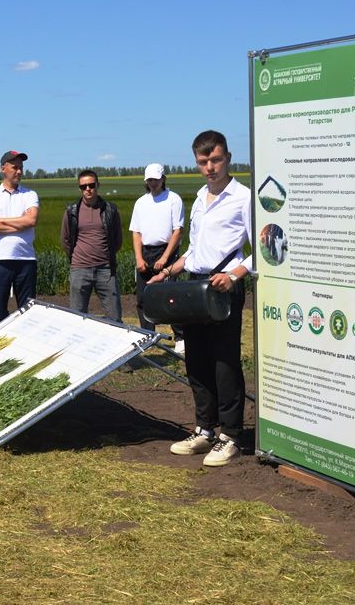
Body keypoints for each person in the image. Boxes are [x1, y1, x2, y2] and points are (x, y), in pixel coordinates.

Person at [147, 130, 251, 467]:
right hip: (195, 286)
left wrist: (235, 275)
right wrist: (168, 271)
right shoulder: (199, 199)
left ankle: (231, 435)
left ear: (228, 158)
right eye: (203, 162)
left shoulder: (244, 198)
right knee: (197, 362)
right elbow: (193, 252)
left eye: (216, 160)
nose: (210, 167)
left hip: (224, 288)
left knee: (224, 363)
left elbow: (264, 248)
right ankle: (205, 429)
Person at [130, 163, 185, 351]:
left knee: (170, 296)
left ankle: (180, 336)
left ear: (163, 179)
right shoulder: (141, 202)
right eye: (149, 180)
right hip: (146, 251)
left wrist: (165, 257)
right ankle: (148, 335)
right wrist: (139, 258)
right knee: (143, 297)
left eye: (156, 179)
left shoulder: (173, 199)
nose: (153, 183)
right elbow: (136, 232)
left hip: (167, 250)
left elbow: (178, 231)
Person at [0, 150, 39, 326]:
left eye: (21, 167)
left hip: (26, 259)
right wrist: (19, 224)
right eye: (15, 167)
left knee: (28, 311)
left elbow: (31, 220)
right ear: (3, 169)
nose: (19, 171)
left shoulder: (30, 195)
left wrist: (3, 220)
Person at [60, 169, 123, 321]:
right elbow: (65, 240)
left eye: (91, 185)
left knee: (115, 316)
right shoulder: (72, 211)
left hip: (105, 270)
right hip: (80, 269)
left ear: (98, 185)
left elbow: (117, 239)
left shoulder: (110, 209)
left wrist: (107, 258)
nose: (88, 189)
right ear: (80, 188)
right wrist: (77, 259)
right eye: (83, 186)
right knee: (77, 316)